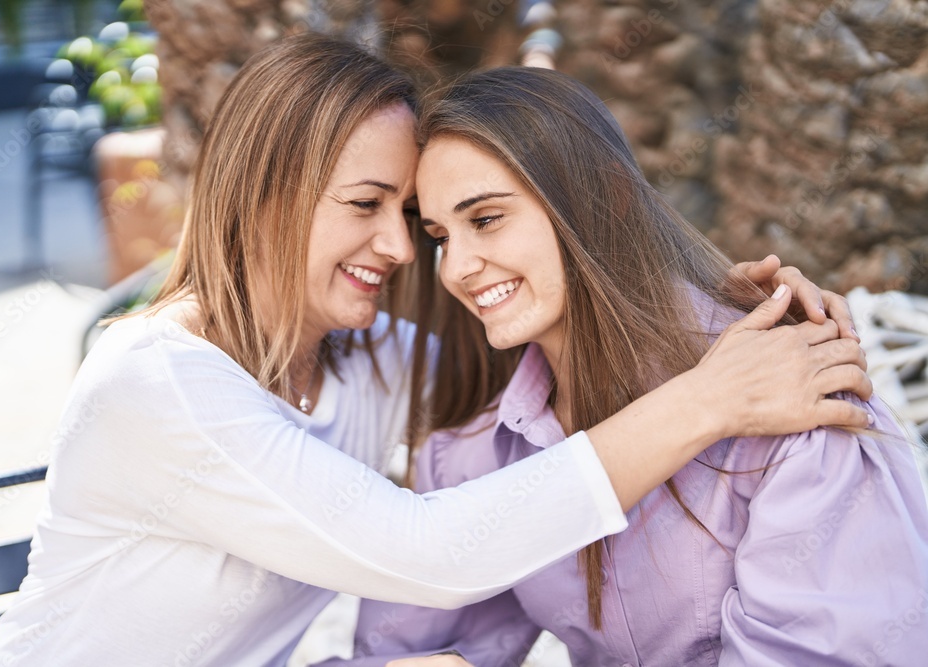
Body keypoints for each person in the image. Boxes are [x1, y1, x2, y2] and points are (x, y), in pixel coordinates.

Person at [0, 37, 872, 667]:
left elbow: (560, 320)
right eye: (365, 204)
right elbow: (433, 552)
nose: (406, 251)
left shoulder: (370, 359)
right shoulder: (157, 380)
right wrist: (711, 399)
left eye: (410, 219)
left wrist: (737, 309)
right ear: (265, 195)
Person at [320, 68, 928, 666]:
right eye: (440, 236)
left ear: (605, 198)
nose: (456, 270)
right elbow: (407, 652)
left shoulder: (796, 393)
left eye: (485, 219)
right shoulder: (476, 451)